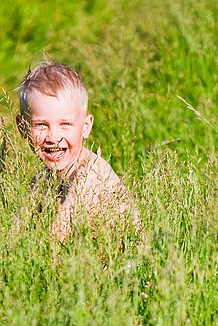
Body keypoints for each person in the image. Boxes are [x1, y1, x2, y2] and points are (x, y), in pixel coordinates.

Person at [15, 61, 140, 244]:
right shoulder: (44, 177)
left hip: (128, 264)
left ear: (86, 127)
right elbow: (18, 226)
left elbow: (57, 236)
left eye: (65, 124)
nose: (53, 137)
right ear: (22, 128)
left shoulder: (90, 174)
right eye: (41, 125)